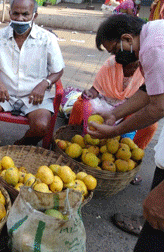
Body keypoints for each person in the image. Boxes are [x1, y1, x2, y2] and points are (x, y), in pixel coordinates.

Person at [89, 15, 164, 250]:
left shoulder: (154, 46)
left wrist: (115, 131)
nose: (115, 57)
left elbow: (158, 105)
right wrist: (116, 114)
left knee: (156, 211)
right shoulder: (151, 37)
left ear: (126, 38)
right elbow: (147, 90)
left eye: (114, 50)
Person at [0, 0, 64, 150]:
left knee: (42, 125)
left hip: (34, 96)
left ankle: (19, 146)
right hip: (5, 93)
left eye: (25, 14)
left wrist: (44, 84)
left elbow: (58, 70)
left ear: (34, 15)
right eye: (15, 13)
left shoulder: (47, 39)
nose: (20, 18)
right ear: (10, 14)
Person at [68, 56, 157, 151]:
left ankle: (133, 152)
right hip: (104, 103)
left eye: (136, 65)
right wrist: (89, 93)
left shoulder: (146, 69)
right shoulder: (110, 64)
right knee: (79, 105)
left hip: (130, 107)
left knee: (151, 126)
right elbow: (95, 89)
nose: (133, 68)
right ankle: (73, 138)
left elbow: (146, 99)